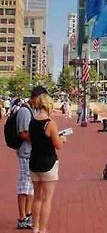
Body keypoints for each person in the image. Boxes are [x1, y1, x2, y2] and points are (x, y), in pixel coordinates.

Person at [29, 92, 66, 233]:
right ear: (48, 105)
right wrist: (63, 139)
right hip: (48, 164)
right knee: (47, 199)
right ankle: (43, 229)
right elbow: (58, 145)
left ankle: (35, 227)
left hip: (34, 163)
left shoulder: (32, 122)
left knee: (37, 197)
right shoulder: (50, 123)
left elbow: (32, 141)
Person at [15, 86, 48, 230]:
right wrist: (40, 138)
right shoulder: (24, 111)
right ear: (37, 97)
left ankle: (28, 214)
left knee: (30, 187)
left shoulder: (32, 110)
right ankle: (22, 217)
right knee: (24, 186)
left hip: (31, 153)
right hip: (25, 153)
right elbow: (23, 133)